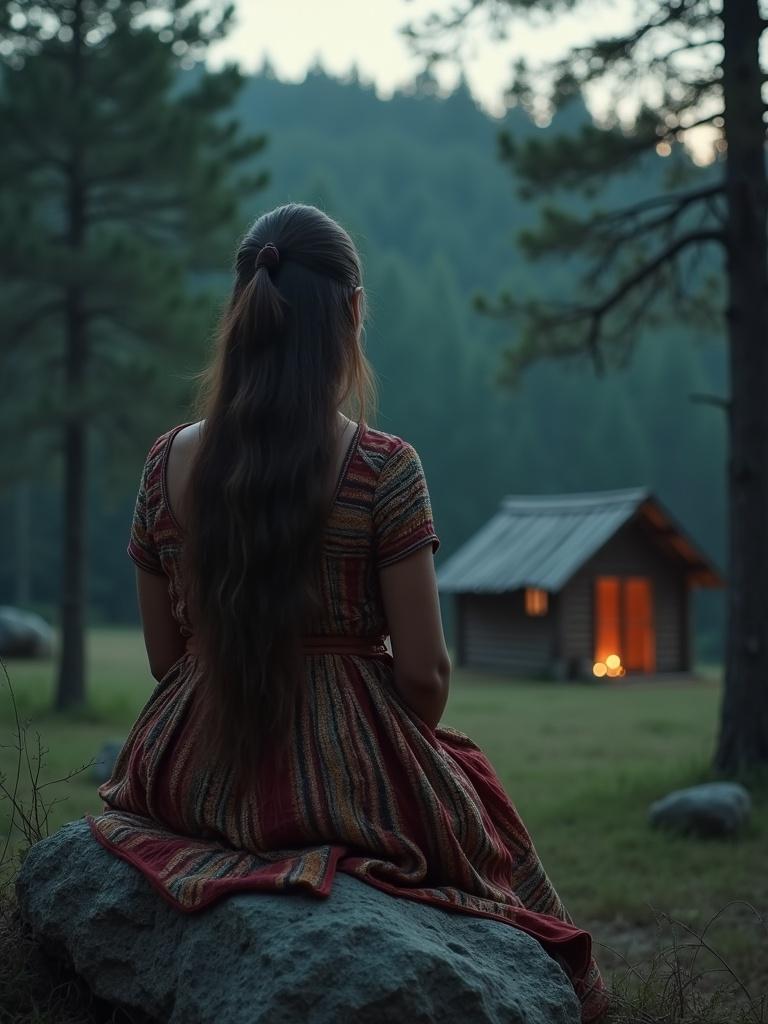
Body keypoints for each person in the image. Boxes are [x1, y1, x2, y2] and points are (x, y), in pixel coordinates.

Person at [86, 203, 607, 1022]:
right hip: (349, 784)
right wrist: (380, 744)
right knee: (480, 800)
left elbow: (164, 656)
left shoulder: (167, 461)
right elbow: (426, 677)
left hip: (187, 764)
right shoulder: (382, 467)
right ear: (353, 312)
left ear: (243, 309)